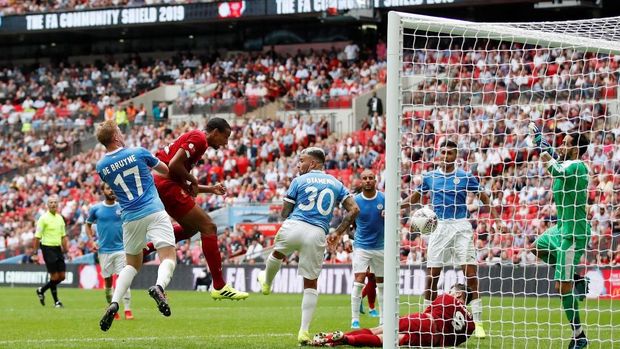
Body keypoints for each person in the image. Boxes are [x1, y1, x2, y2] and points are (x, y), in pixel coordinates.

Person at [256, 147, 360, 345]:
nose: (298, 165)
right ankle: (303, 332)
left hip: (295, 225)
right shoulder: (336, 183)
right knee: (310, 283)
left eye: (301, 161)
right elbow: (355, 209)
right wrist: (337, 232)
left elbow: (285, 212)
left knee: (278, 253)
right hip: (317, 233)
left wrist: (293, 210)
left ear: (312, 163)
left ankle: (267, 281)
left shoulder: (299, 181)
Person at [402, 140, 499, 338]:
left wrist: (498, 220)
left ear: (456, 155)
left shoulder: (465, 176)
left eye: (450, 153)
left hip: (461, 225)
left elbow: (484, 197)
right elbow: (415, 197)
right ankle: (426, 316)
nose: (446, 156)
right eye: (443, 152)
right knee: (432, 276)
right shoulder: (430, 177)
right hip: (439, 227)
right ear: (439, 154)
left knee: (470, 275)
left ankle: (478, 323)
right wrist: (397, 207)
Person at [148, 117, 248, 300]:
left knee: (191, 228)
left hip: (163, 183)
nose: (225, 143)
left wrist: (208, 189)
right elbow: (174, 166)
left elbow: (179, 177)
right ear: (215, 132)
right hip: (165, 184)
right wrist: (194, 181)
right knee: (208, 227)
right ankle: (219, 286)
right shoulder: (200, 139)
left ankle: (145, 249)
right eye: (225, 138)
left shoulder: (197, 141)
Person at [95, 120, 177, 332]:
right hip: (154, 210)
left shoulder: (101, 166)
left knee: (131, 265)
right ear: (115, 137)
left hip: (130, 218)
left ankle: (114, 302)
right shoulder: (139, 152)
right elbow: (165, 170)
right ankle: (159, 287)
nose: (122, 133)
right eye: (119, 131)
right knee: (168, 256)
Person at [529, 125, 591, 349]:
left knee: (561, 289)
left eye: (566, 143)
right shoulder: (566, 160)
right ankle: (575, 277)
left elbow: (556, 170)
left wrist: (543, 155)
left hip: (573, 233)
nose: (561, 146)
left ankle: (579, 335)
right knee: (536, 247)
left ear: (575, 149)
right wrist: (538, 138)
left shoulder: (577, 166)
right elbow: (553, 156)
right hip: (560, 228)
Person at [311, 283, 475, 347]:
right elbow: (451, 343)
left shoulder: (447, 298)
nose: (448, 292)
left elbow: (428, 313)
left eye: (452, 290)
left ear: (459, 294)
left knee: (378, 331)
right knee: (386, 341)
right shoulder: (471, 325)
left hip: (422, 322)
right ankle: (342, 340)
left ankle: (336, 337)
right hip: (431, 340)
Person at [86, 182, 133, 321]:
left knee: (123, 280)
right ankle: (112, 308)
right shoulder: (96, 209)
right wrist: (92, 240)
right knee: (107, 282)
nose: (111, 190)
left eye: (113, 188)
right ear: (103, 191)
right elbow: (88, 225)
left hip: (121, 249)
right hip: (104, 251)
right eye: (108, 188)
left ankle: (128, 309)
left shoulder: (122, 207)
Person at [350, 169, 385, 328]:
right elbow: (350, 223)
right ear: (361, 181)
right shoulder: (355, 201)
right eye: (365, 178)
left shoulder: (384, 198)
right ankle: (355, 320)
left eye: (371, 178)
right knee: (358, 282)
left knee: (382, 284)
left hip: (381, 247)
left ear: (375, 180)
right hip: (361, 247)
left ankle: (383, 319)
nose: (368, 180)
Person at [34, 195, 69, 308]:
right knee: (54, 277)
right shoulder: (43, 218)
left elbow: (63, 236)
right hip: (47, 248)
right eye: (51, 203)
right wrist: (35, 253)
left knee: (62, 276)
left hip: (58, 249)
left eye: (55, 202)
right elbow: (37, 237)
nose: (53, 204)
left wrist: (66, 248)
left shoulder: (60, 218)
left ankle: (41, 290)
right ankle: (56, 302)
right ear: (47, 205)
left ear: (58, 204)